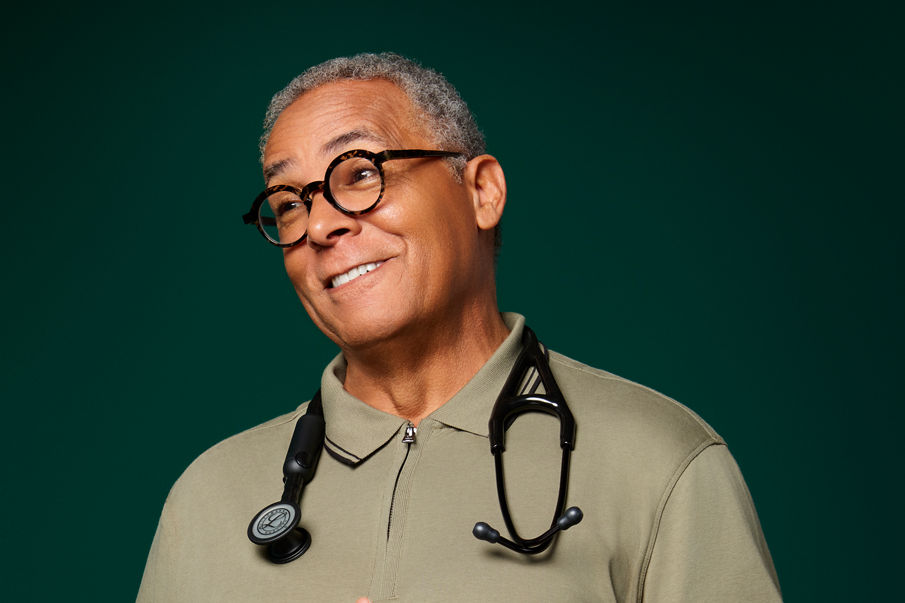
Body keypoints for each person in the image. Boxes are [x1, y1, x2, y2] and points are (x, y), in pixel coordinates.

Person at [137, 52, 781, 602]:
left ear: (482, 192)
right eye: (288, 203)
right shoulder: (208, 500)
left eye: (361, 174)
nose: (321, 225)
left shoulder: (659, 462)